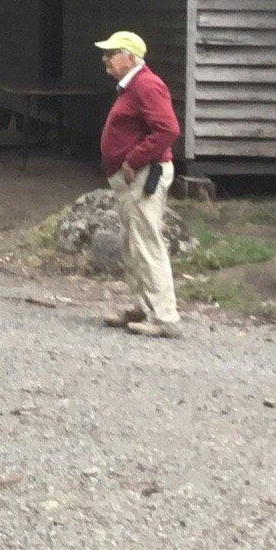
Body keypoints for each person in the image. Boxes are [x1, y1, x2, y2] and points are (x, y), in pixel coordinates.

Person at [95, 29, 183, 339]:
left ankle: (164, 316)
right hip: (133, 175)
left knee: (147, 242)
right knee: (133, 243)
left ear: (130, 58)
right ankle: (143, 306)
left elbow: (168, 129)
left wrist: (133, 160)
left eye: (112, 53)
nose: (106, 59)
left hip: (145, 174)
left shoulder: (147, 85)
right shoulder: (131, 87)